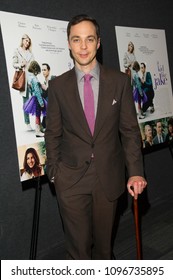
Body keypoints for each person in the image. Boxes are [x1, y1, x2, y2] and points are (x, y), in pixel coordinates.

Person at [45, 14, 147, 260]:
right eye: (76, 39)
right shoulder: (58, 86)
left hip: (108, 176)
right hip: (69, 179)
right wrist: (54, 172)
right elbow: (53, 133)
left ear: (98, 42)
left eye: (89, 39)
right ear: (69, 43)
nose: (83, 46)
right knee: (78, 251)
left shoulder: (120, 82)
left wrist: (135, 171)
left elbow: (130, 131)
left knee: (103, 250)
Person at [12, 34, 35, 131]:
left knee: (36, 100)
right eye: (26, 40)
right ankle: (27, 123)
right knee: (26, 102)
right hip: (23, 79)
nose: (27, 43)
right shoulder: (17, 51)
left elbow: (33, 65)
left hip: (32, 79)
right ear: (22, 40)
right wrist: (21, 65)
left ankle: (38, 123)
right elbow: (14, 64)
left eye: (29, 41)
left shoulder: (30, 53)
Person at [23, 61, 47, 137]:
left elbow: (32, 90)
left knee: (38, 114)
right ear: (35, 69)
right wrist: (41, 102)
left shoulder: (29, 78)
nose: (38, 72)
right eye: (37, 71)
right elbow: (37, 91)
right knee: (38, 114)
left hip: (33, 98)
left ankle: (40, 129)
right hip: (37, 98)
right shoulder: (34, 79)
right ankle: (38, 131)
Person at [41, 63, 56, 130]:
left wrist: (46, 88)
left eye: (45, 70)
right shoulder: (44, 81)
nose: (43, 72)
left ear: (49, 71)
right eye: (42, 70)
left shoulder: (53, 78)